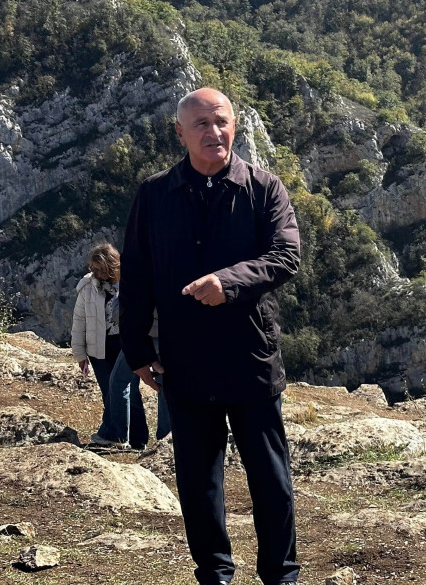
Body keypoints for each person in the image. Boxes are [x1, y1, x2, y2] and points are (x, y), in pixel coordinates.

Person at [120, 87, 301, 585]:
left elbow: (287, 256)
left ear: (235, 125)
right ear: (180, 133)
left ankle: (281, 577)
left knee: (271, 480)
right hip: (185, 360)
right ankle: (214, 575)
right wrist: (136, 348)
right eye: (199, 124)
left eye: (220, 121)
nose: (212, 132)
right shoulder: (154, 195)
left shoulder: (265, 189)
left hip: (250, 357)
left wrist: (229, 283)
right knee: (199, 482)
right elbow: (136, 274)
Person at [70, 243, 140, 448]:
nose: (96, 273)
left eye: (100, 269)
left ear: (112, 266)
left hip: (125, 344)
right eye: (93, 268)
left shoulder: (131, 283)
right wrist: (80, 354)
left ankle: (134, 438)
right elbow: (79, 321)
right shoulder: (87, 287)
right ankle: (116, 435)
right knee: (109, 391)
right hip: (98, 347)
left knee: (130, 391)